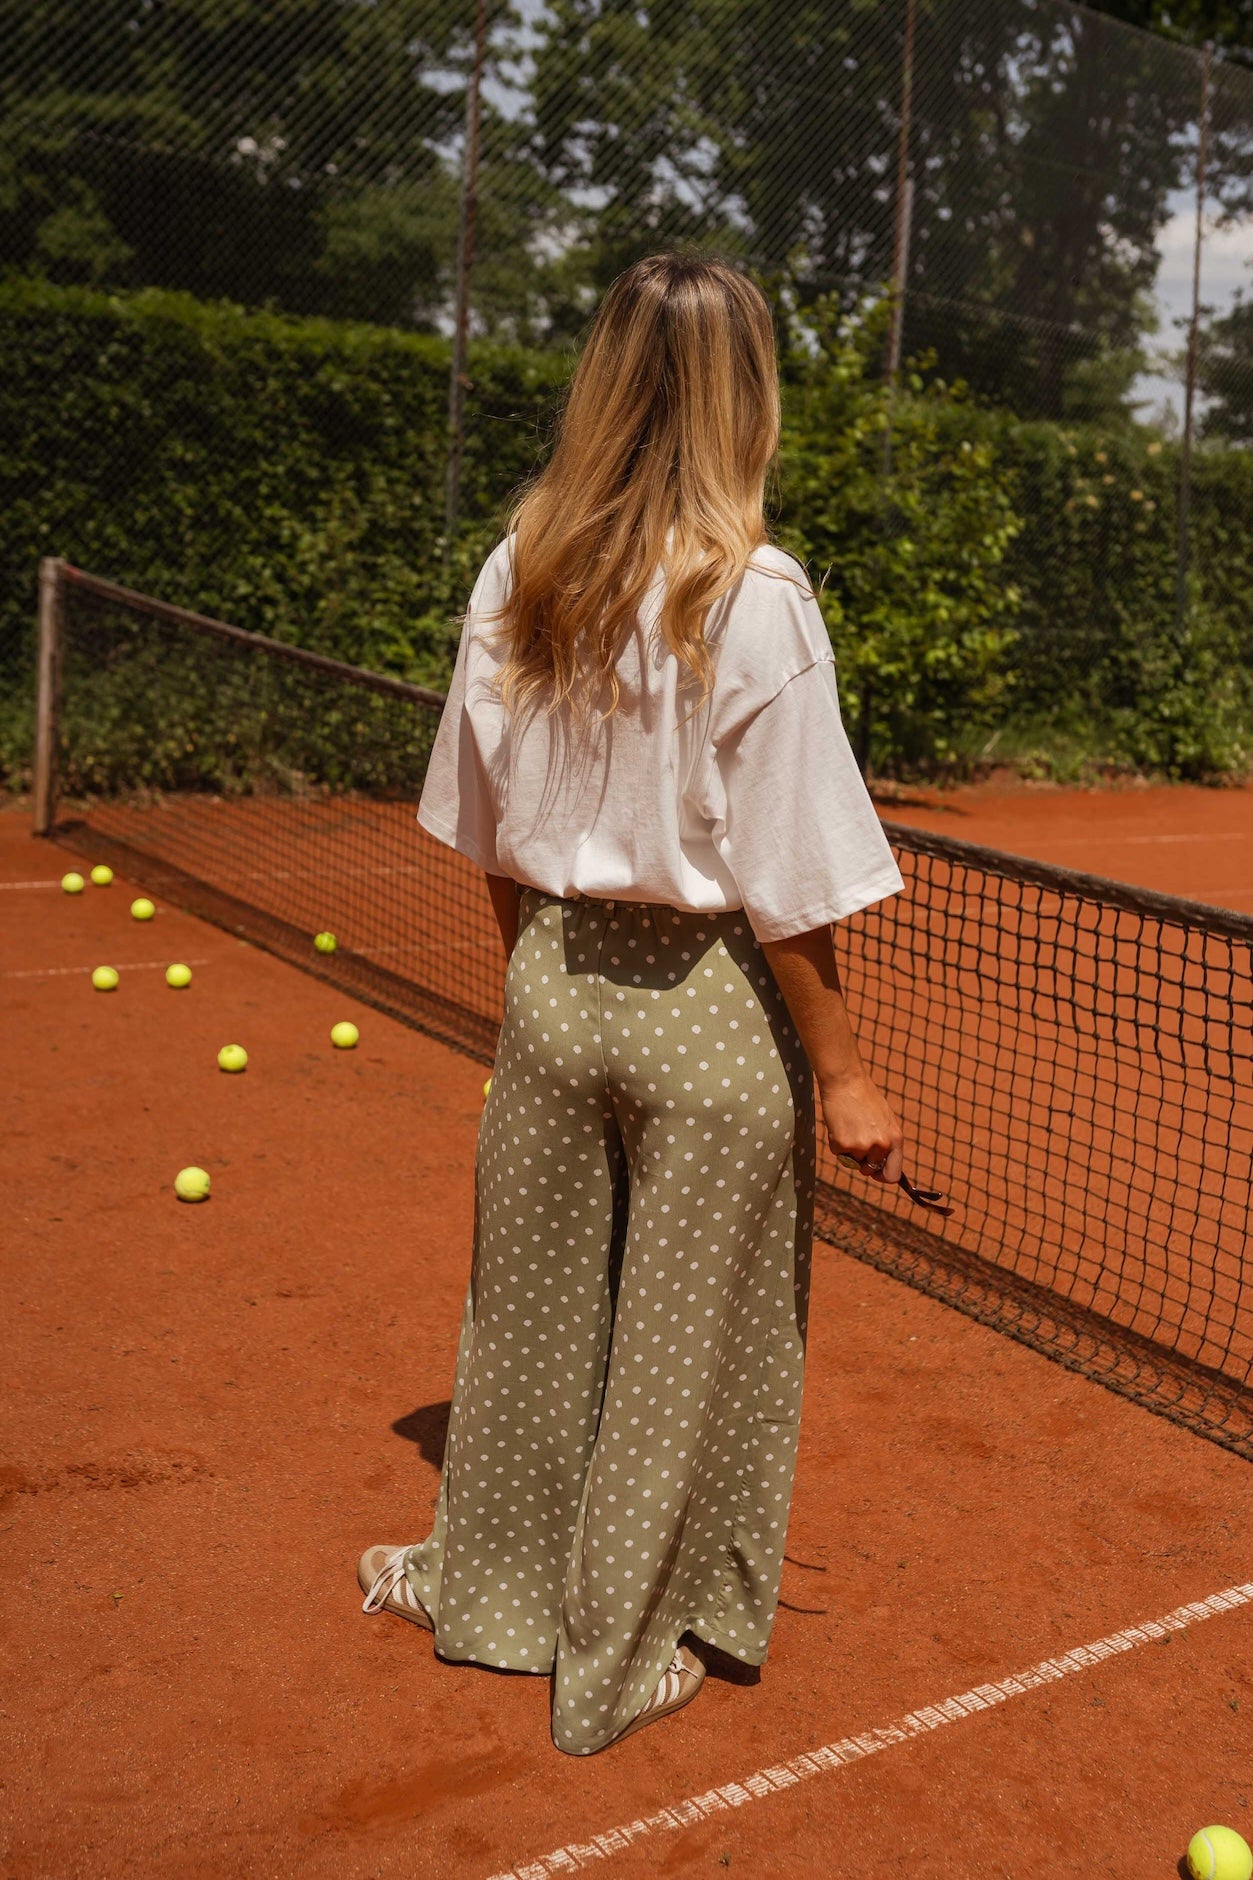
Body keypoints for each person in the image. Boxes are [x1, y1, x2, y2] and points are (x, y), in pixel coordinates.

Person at [358, 251, 906, 1758]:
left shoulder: (520, 559)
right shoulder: (757, 597)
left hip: (545, 985)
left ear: (598, 377)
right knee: (681, 1347)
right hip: (710, 1016)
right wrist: (845, 1077)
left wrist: (545, 973)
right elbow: (792, 884)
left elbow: (476, 823)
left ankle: (492, 1601)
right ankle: (612, 1666)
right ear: (747, 397)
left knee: (525, 1324)